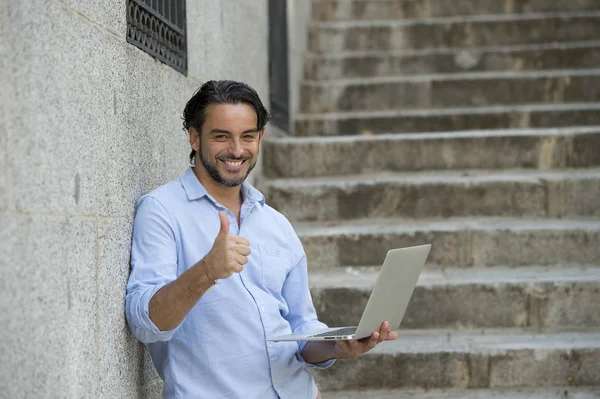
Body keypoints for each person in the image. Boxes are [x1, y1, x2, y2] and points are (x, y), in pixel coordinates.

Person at [125, 80, 398, 399]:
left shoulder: (275, 224)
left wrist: (338, 345)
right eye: (221, 136)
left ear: (261, 138)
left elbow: (302, 332)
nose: (237, 150)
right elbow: (143, 323)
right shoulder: (161, 211)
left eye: (248, 136)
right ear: (195, 137)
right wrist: (206, 271)